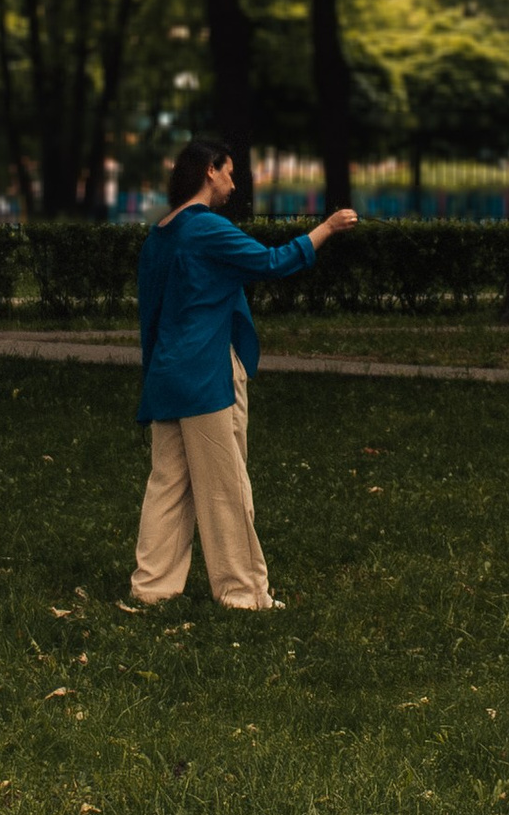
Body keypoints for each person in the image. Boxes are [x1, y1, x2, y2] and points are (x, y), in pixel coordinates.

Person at [129, 140, 357, 609]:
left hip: (168, 374)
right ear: (210, 172)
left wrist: (153, 375)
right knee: (224, 487)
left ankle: (151, 589)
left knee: (168, 485)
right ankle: (244, 593)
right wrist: (329, 227)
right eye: (229, 173)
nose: (234, 184)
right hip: (204, 375)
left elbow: (149, 314)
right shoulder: (205, 228)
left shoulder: (161, 232)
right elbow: (273, 262)